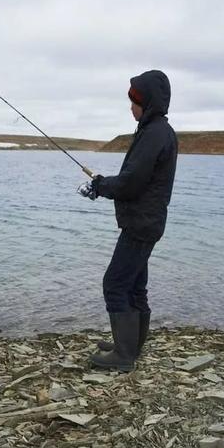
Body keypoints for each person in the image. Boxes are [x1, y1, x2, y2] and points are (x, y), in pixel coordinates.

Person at [83, 69, 177, 372]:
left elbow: (131, 183)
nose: (131, 106)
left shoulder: (154, 134)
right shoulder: (158, 130)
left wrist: (99, 186)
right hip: (147, 222)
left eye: (134, 100)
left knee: (115, 284)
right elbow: (135, 180)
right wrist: (104, 185)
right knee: (135, 286)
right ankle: (131, 345)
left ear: (147, 101)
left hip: (141, 224)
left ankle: (123, 356)